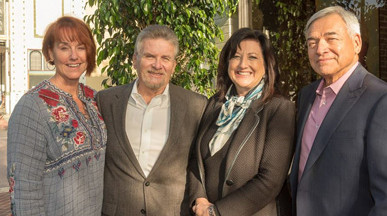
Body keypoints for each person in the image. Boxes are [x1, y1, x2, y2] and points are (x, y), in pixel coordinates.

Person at [289, 6, 387, 216]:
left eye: (331, 39)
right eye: (312, 43)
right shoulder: (306, 96)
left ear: (356, 43)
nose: (320, 49)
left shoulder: (384, 101)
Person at [97, 25, 207, 215]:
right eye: (149, 56)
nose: (157, 65)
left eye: (165, 58)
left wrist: (201, 198)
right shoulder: (105, 101)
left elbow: (198, 162)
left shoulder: (196, 106)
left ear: (174, 64)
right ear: (134, 60)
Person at [7, 16, 107, 215]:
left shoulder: (94, 99)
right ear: (50, 53)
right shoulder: (32, 106)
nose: (74, 56)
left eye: (81, 47)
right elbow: (24, 188)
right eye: (64, 48)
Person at [189, 28, 295, 216]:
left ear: (266, 65)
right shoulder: (216, 103)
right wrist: (200, 199)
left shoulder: (279, 108)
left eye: (252, 57)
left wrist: (217, 212)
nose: (243, 64)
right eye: (236, 56)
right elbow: (195, 159)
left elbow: (270, 180)